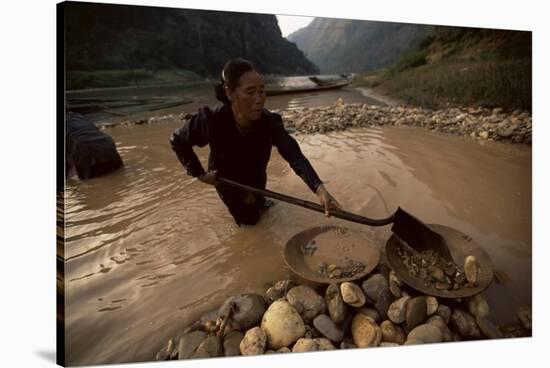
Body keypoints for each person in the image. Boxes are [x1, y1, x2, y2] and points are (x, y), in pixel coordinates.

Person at [170, 58, 340, 226]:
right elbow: (177, 140)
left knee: (261, 204)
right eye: (250, 92)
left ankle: (259, 202)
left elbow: (294, 155)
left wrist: (320, 190)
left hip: (257, 176)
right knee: (250, 222)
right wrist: (200, 174)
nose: (259, 99)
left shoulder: (269, 122)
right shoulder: (211, 120)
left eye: (262, 91)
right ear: (230, 93)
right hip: (228, 182)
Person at [66, 111, 123, 180]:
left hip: (83, 147)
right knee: (119, 174)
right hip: (106, 142)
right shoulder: (77, 115)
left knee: (89, 184)